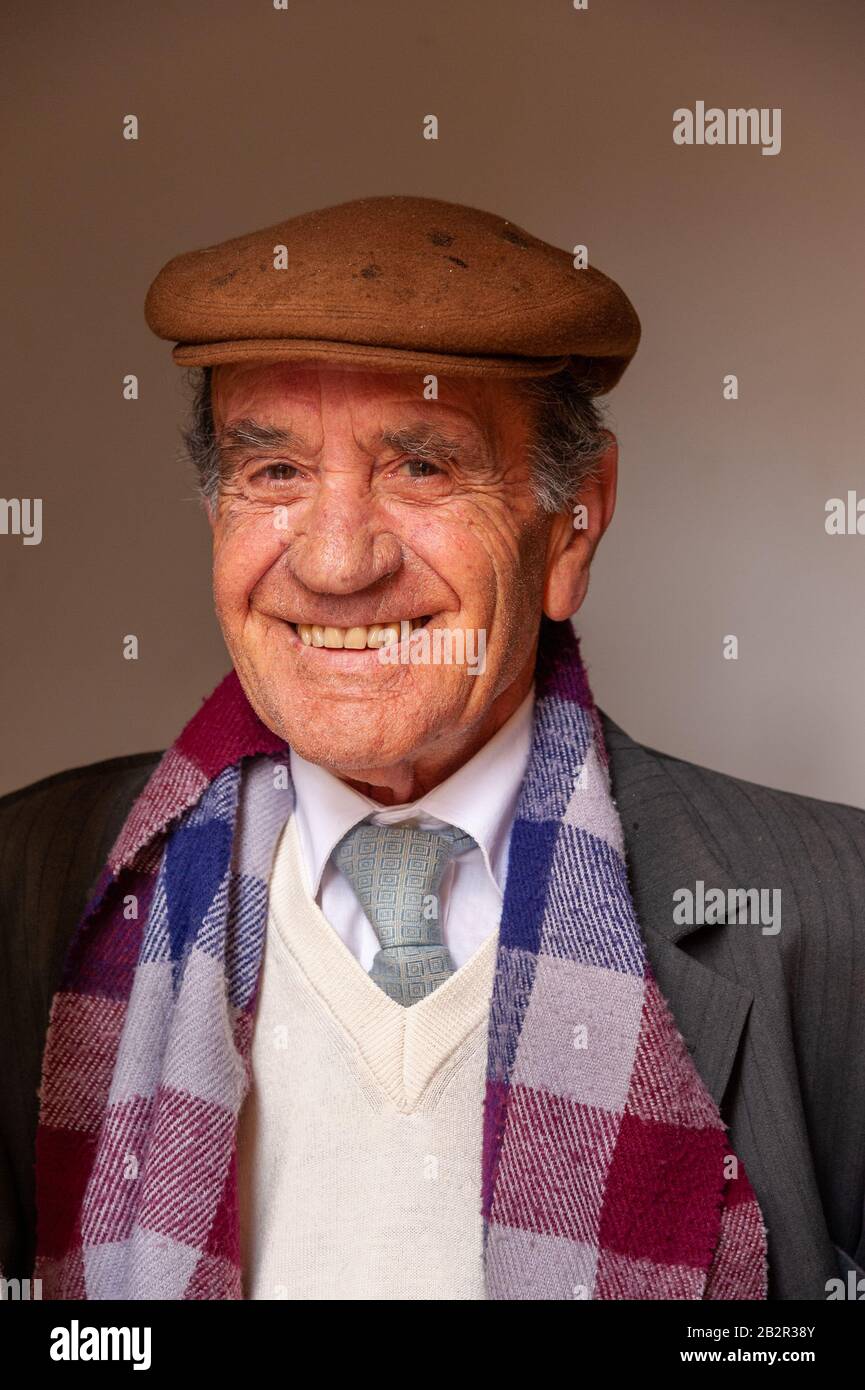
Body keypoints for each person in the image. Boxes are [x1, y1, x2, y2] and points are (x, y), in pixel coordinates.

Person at [1, 196, 862, 1301]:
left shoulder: (832, 913)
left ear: (573, 523)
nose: (335, 561)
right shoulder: (35, 889)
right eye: (274, 473)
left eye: (420, 466)